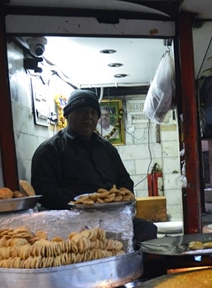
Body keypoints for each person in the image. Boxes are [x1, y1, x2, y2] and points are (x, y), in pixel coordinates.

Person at [31, 89, 157, 242]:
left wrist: (118, 202)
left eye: (93, 113)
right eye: (81, 112)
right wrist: (79, 204)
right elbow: (44, 189)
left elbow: (125, 181)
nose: (88, 117)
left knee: (148, 230)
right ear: (67, 115)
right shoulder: (51, 149)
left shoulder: (107, 149)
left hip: (109, 217)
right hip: (71, 223)